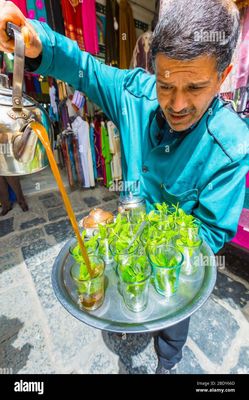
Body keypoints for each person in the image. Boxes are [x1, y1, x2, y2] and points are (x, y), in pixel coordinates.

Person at [0, 0, 248, 373]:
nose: (177, 104)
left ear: (223, 75)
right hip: (127, 253)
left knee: (171, 324)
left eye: (195, 87)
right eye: (166, 85)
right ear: (153, 70)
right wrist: (36, 41)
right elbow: (85, 69)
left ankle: (169, 360)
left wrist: (131, 229)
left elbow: (210, 234)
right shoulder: (136, 94)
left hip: (172, 268)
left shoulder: (231, 147)